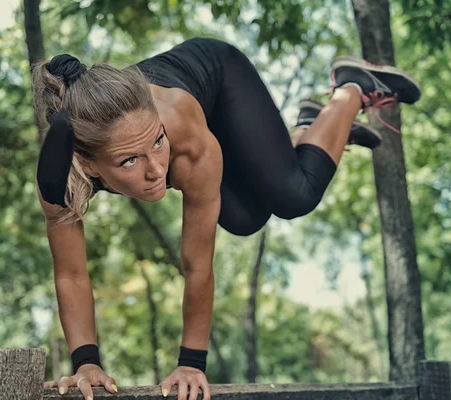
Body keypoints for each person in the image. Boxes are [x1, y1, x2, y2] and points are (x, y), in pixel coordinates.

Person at [33, 37, 420, 400]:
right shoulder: (60, 181)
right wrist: (86, 363)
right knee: (244, 218)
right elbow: (71, 274)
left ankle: (349, 89)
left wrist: (191, 364)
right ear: (87, 163)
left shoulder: (185, 140)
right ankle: (312, 131)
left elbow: (196, 265)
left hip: (220, 76)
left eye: (156, 142)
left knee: (295, 195)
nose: (156, 171)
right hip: (189, 120)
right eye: (129, 161)